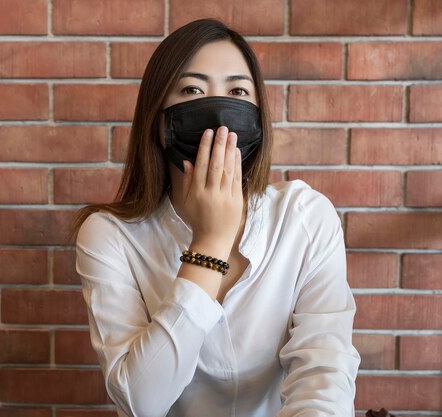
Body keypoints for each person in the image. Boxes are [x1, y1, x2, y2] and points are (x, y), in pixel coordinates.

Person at [72, 18, 361, 417]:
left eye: (239, 91)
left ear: (258, 119)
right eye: (192, 90)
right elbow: (141, 401)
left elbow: (324, 375)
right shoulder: (109, 236)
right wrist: (209, 243)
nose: (221, 112)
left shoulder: (305, 218)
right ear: (158, 118)